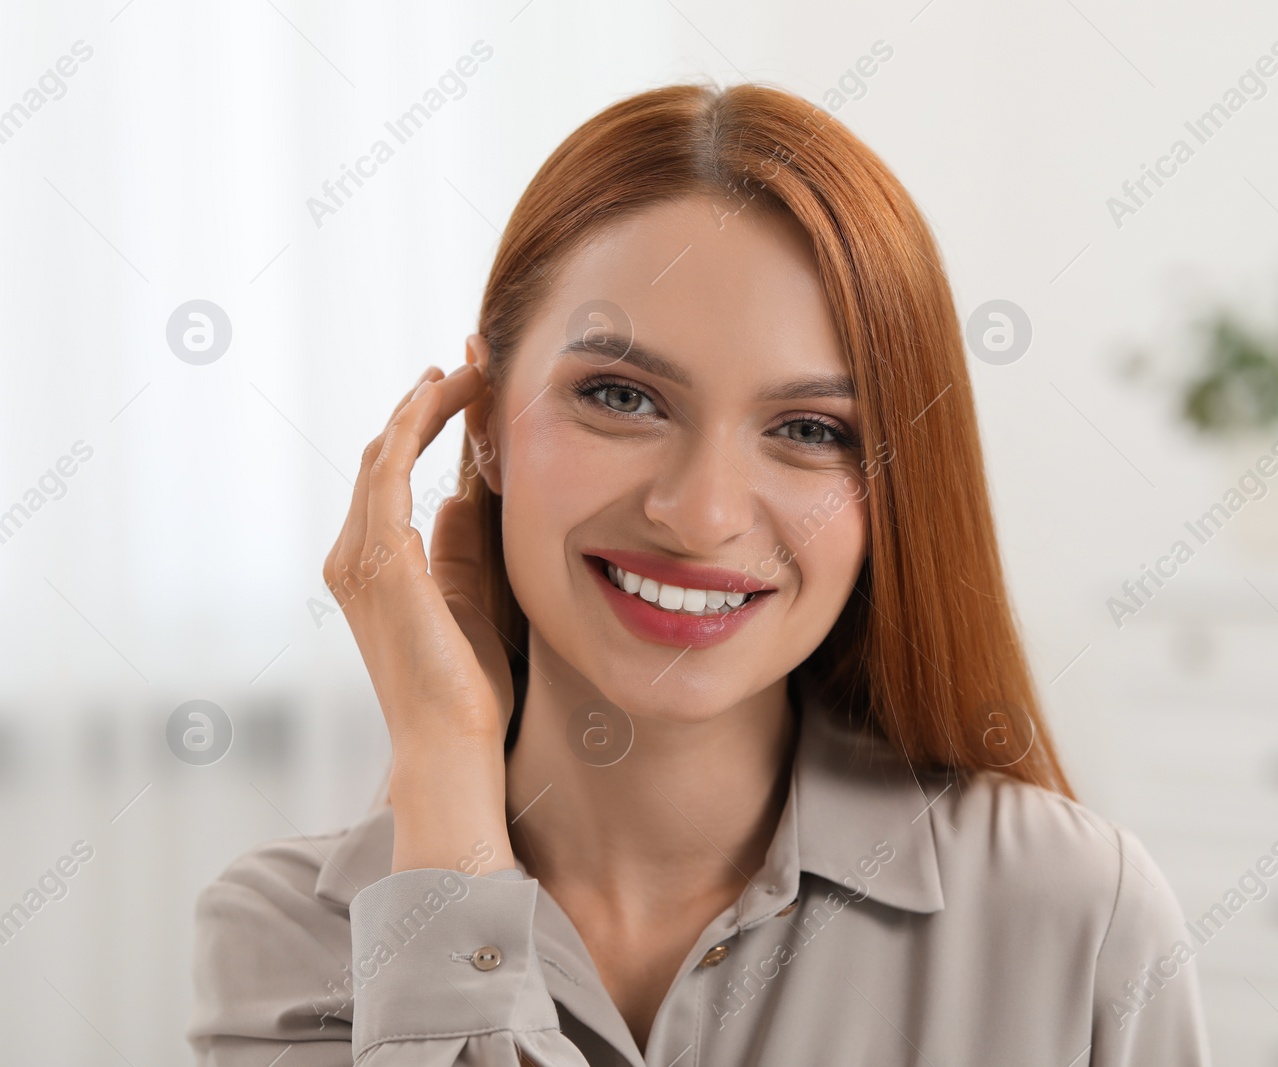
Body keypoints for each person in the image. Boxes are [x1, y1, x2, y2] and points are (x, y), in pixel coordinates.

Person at [187, 81, 1211, 1066]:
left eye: (810, 429)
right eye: (623, 397)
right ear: (486, 421)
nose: (703, 513)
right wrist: (443, 773)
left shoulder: (1075, 912)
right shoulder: (289, 934)